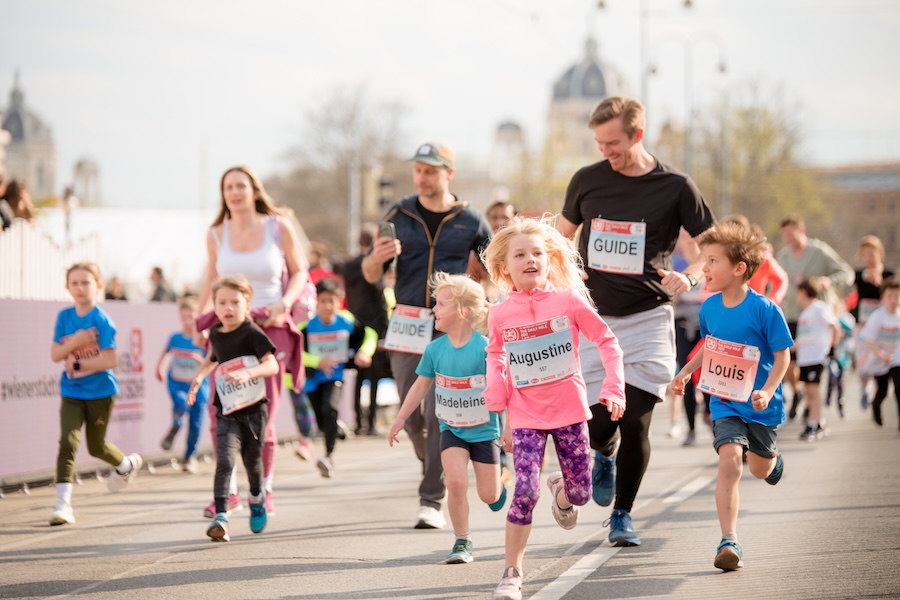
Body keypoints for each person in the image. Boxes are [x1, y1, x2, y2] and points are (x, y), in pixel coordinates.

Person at [556, 96, 715, 546]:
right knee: (601, 422)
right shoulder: (586, 181)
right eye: (600, 142)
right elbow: (560, 240)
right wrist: (568, 267)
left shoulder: (676, 186)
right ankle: (601, 454)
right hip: (595, 320)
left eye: (614, 143)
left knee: (637, 421)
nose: (606, 150)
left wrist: (690, 274)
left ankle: (622, 515)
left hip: (648, 317)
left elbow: (710, 246)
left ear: (638, 134)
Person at [482, 216, 625, 600]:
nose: (530, 259)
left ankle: (563, 488)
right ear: (504, 266)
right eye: (520, 254)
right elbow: (495, 352)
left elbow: (607, 342)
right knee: (524, 491)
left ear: (549, 260)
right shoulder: (500, 312)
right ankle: (512, 573)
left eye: (537, 253)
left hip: (569, 412)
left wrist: (613, 385)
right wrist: (496, 393)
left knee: (581, 495)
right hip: (526, 414)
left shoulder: (568, 301)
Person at [361, 142, 493, 530]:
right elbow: (371, 272)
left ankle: (430, 498)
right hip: (404, 323)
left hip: (448, 324)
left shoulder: (470, 218)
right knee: (411, 412)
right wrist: (376, 256)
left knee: (440, 412)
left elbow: (491, 273)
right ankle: (436, 463)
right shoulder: (398, 213)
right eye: (418, 170)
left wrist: (484, 309)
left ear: (448, 173)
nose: (422, 177)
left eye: (431, 170)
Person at [672, 222, 792, 571]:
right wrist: (684, 373)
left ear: (739, 269)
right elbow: (711, 347)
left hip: (760, 404)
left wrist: (767, 390)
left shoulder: (765, 309)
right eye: (704, 261)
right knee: (729, 463)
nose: (704, 268)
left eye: (712, 261)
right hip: (724, 400)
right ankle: (729, 538)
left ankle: (772, 460)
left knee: (759, 469)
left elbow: (783, 355)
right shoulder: (709, 307)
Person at [197, 165, 308, 517]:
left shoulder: (278, 226)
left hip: (270, 325)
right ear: (223, 193)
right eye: (228, 186)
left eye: (241, 185)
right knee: (223, 412)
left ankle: (264, 489)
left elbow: (300, 271)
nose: (235, 192)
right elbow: (210, 279)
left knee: (263, 413)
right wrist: (200, 318)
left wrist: (285, 303)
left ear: (254, 190)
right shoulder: (216, 234)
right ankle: (228, 492)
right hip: (228, 327)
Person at [388, 272, 506, 565]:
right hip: (451, 429)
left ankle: (499, 485)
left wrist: (511, 425)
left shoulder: (485, 349)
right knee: (455, 483)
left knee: (489, 495)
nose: (434, 310)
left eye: (441, 304)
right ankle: (462, 540)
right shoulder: (434, 350)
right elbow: (419, 386)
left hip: (483, 431)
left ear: (463, 311)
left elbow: (505, 386)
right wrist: (401, 418)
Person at [49, 262, 143, 526]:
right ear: (68, 287)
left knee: (96, 447)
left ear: (98, 286)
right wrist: (78, 341)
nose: (80, 288)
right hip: (71, 391)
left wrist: (79, 363)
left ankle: (125, 465)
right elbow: (55, 354)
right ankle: (62, 504)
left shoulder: (102, 320)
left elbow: (111, 360)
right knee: (68, 442)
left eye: (86, 283)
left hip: (101, 392)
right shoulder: (64, 317)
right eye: (74, 283)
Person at [188, 275, 279, 542]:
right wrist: (200, 376)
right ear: (214, 306)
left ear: (247, 305)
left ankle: (256, 497)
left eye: (235, 302)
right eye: (222, 302)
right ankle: (221, 516)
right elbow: (213, 357)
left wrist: (249, 373)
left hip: (252, 412)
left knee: (252, 464)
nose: (228, 308)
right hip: (226, 410)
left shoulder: (252, 332)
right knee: (225, 460)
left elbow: (271, 365)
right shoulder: (215, 333)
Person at [775, 216, 854, 420]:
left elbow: (846, 273)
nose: (788, 237)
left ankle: (814, 406)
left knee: (812, 364)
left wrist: (830, 280)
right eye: (785, 234)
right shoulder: (783, 256)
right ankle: (797, 392)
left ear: (802, 229)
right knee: (789, 362)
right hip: (792, 316)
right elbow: (777, 282)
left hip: (817, 319)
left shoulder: (819, 251)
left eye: (791, 232)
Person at [300, 277, 377, 477]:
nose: (327, 305)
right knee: (321, 418)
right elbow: (295, 352)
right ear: (316, 301)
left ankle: (328, 456)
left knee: (330, 408)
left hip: (334, 376)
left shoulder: (347, 321)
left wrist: (365, 353)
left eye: (331, 300)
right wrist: (317, 362)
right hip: (312, 380)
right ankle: (334, 427)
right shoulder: (307, 326)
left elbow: (370, 335)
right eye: (323, 300)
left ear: (339, 300)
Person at [337, 223, 393, 436]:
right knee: (374, 375)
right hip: (374, 324)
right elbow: (379, 297)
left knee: (356, 376)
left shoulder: (348, 266)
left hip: (354, 323)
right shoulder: (374, 265)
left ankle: (358, 421)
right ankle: (369, 423)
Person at [155, 297, 210, 472]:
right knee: (181, 404)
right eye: (183, 317)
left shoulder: (203, 339)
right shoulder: (175, 338)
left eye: (191, 317)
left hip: (199, 387)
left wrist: (197, 358)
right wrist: (159, 368)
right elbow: (165, 352)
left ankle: (189, 457)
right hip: (177, 383)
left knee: (196, 423)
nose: (187, 322)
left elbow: (212, 361)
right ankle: (175, 426)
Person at [848, 235, 894, 408]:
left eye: (872, 253)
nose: (869, 257)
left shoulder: (888, 274)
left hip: (883, 324)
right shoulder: (859, 275)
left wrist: (881, 283)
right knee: (863, 361)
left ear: (880, 253)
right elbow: (851, 285)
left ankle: (878, 389)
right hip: (864, 324)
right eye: (866, 254)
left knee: (880, 358)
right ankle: (865, 386)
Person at [794, 278, 841, 441]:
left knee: (814, 391)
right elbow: (805, 338)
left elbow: (834, 325)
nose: (796, 297)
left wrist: (832, 348)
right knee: (808, 391)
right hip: (805, 359)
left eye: (797, 293)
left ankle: (813, 425)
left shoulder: (819, 308)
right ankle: (818, 422)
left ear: (803, 292)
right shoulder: (805, 313)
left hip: (817, 356)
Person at [858, 278, 900, 428]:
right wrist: (881, 355)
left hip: (896, 357)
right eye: (890, 296)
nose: (894, 300)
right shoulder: (877, 317)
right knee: (882, 391)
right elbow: (869, 341)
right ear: (883, 298)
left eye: (897, 296)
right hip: (879, 358)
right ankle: (876, 407)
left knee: (899, 388)